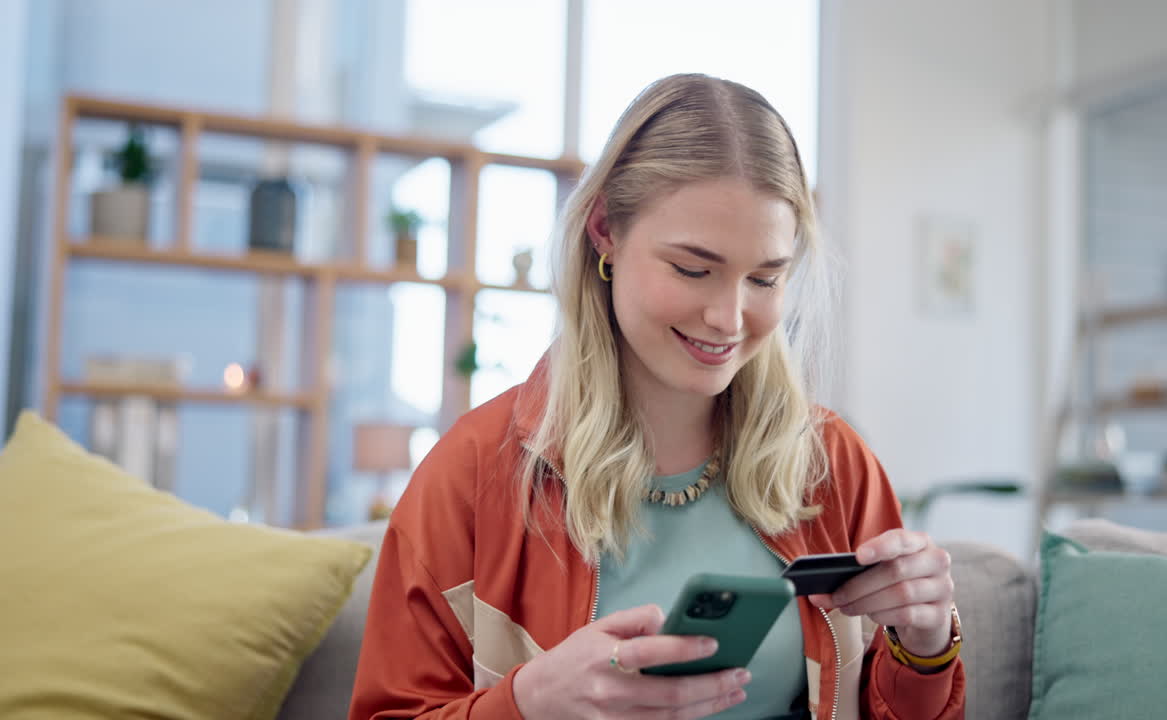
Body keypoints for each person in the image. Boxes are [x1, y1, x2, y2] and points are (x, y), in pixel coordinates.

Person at [349, 73, 965, 720]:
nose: (729, 317)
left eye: (765, 277)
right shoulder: (473, 474)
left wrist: (924, 645)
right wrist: (527, 703)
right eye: (693, 269)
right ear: (605, 229)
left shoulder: (831, 462)